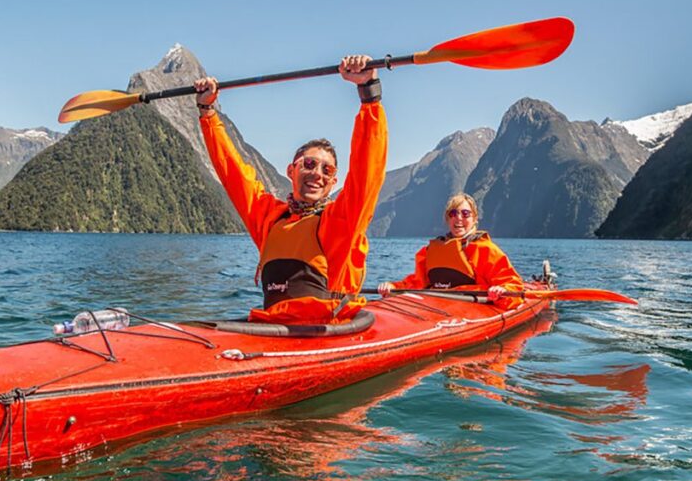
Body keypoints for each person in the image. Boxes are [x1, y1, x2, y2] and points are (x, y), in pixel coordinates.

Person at [194, 55, 386, 324]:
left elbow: (367, 172)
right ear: (291, 170)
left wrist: (369, 93)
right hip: (271, 329)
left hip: (325, 335)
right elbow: (233, 173)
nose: (317, 173)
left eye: (327, 170)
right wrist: (207, 113)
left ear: (333, 183)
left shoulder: (340, 223)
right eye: (309, 164)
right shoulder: (269, 219)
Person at [377, 193, 524, 309]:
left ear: (474, 219)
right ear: (448, 219)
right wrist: (393, 287)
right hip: (437, 306)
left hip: (474, 306)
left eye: (465, 214)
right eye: (453, 213)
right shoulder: (430, 251)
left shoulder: (485, 249)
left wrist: (502, 290)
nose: (459, 218)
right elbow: (417, 282)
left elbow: (513, 286)